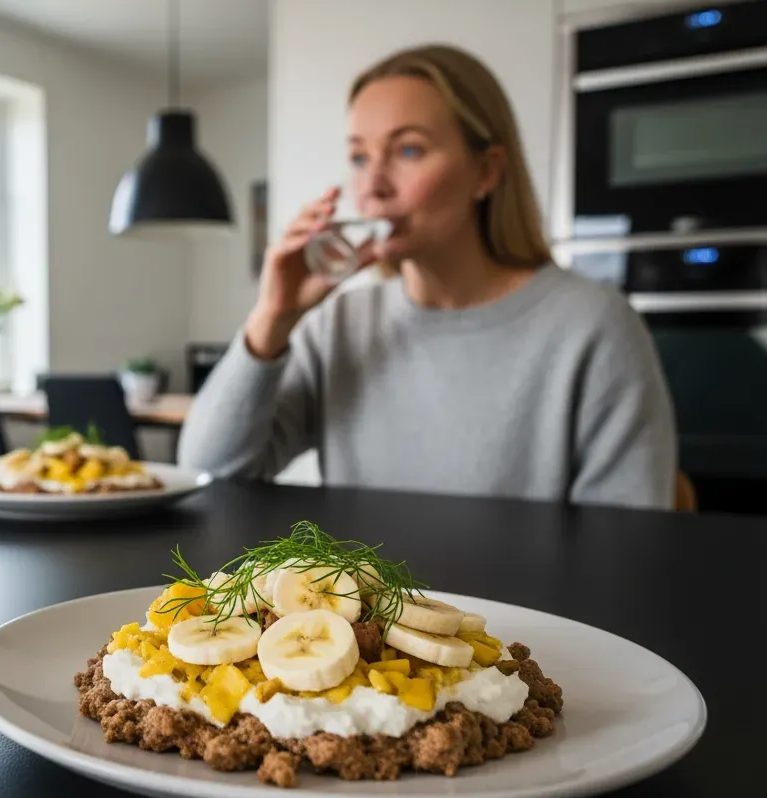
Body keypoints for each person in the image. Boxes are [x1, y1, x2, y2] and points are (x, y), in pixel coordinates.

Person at [178, 44, 677, 510]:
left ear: (487, 172)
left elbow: (623, 548)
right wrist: (272, 318)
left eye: (408, 150)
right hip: (366, 606)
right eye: (359, 157)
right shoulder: (340, 326)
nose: (372, 186)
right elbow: (208, 472)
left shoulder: (594, 327)